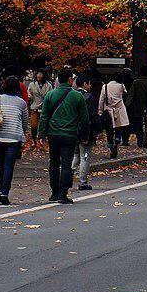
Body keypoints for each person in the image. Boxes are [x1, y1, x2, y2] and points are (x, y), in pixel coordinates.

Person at [38, 67, 91, 204]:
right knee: (66, 164)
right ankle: (63, 193)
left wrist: (41, 134)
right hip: (69, 133)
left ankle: (54, 192)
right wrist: (85, 135)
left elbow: (44, 116)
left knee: (54, 163)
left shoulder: (50, 95)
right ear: (69, 80)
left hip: (53, 133)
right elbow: (84, 119)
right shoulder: (77, 96)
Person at [0, 75, 29, 205]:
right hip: (14, 137)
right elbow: (25, 121)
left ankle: (1, 190)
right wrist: (22, 134)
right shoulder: (21, 102)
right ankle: (5, 192)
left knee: (0, 165)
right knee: (9, 165)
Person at [74, 72, 98, 191]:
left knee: (76, 155)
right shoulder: (88, 97)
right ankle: (82, 181)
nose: (90, 86)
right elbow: (90, 117)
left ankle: (67, 176)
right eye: (89, 84)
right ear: (85, 84)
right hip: (85, 130)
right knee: (85, 156)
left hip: (72, 130)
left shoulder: (72, 95)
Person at [98, 71, 129, 158]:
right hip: (119, 109)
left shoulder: (105, 86)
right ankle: (118, 138)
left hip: (109, 109)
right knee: (119, 126)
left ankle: (110, 145)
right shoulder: (121, 86)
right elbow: (125, 92)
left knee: (109, 130)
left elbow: (101, 100)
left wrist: (100, 111)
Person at [27, 70, 53, 148]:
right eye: (38, 74)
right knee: (33, 125)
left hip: (44, 107)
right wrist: (29, 99)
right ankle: (33, 140)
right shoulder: (32, 84)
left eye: (41, 74)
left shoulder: (48, 85)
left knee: (43, 126)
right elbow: (29, 94)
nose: (39, 76)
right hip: (34, 107)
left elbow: (50, 95)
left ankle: (42, 140)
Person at [124, 68, 147, 147]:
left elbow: (131, 95)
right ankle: (146, 141)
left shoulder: (136, 83)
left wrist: (127, 104)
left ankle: (140, 141)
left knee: (139, 125)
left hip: (137, 106)